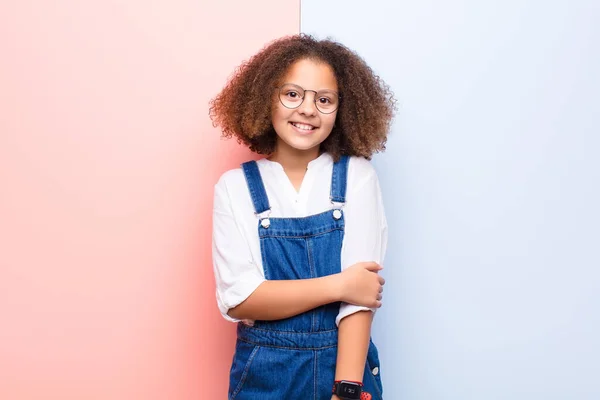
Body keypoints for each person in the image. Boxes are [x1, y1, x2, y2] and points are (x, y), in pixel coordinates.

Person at [210, 34, 395, 400]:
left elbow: (359, 302)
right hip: (264, 371)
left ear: (343, 110)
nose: (308, 109)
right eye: (293, 94)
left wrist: (346, 389)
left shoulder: (357, 176)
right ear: (266, 97)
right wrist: (340, 285)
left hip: (343, 368)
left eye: (323, 100)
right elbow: (241, 299)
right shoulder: (235, 187)